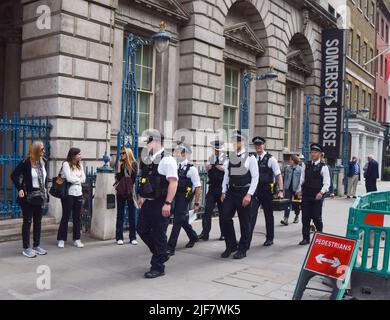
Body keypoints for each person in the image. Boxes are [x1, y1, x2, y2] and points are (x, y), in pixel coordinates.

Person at [137, 130, 178, 278]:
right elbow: (145, 180)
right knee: (141, 229)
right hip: (149, 202)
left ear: (157, 142)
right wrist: (141, 195)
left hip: (161, 203)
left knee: (159, 234)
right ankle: (161, 253)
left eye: (148, 142)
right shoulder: (149, 159)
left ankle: (158, 267)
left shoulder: (167, 159)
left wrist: (167, 203)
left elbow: (173, 183)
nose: (146, 145)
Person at [220, 130, 259, 259]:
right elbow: (226, 175)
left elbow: (255, 177)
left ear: (243, 141)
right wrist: (223, 191)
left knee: (244, 222)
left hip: (244, 192)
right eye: (233, 140)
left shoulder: (250, 157)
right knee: (224, 217)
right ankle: (231, 244)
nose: (235, 142)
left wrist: (249, 195)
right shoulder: (230, 157)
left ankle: (242, 248)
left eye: (238, 140)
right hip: (231, 191)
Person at [11, 141, 48, 258]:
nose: (44, 151)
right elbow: (13, 175)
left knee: (38, 222)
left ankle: (36, 245)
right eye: (42, 149)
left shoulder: (42, 162)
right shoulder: (26, 163)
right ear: (36, 150)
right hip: (28, 197)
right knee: (27, 222)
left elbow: (43, 180)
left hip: (40, 196)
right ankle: (26, 248)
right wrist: (20, 189)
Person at [167, 142, 201, 256]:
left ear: (185, 153)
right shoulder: (176, 167)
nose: (177, 154)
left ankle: (170, 247)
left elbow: (197, 187)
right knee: (182, 220)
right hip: (175, 196)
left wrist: (196, 203)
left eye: (179, 152)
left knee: (177, 220)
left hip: (184, 198)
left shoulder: (192, 169)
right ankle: (193, 236)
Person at [249, 137, 283, 247]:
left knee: (268, 215)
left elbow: (278, 175)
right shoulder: (252, 158)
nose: (258, 146)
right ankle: (247, 239)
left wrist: (281, 190)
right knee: (251, 215)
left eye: (260, 144)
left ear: (264, 145)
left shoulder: (270, 159)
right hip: (255, 190)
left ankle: (270, 237)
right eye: (256, 145)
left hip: (267, 190)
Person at [296, 143, 330, 245]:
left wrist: (321, 192)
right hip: (306, 194)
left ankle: (320, 237)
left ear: (320, 154)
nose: (313, 154)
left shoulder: (324, 167)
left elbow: (327, 183)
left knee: (316, 217)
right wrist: (299, 190)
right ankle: (305, 238)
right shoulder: (306, 165)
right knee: (305, 217)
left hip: (316, 195)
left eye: (315, 152)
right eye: (312, 152)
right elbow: (302, 179)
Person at [57, 148, 86, 248]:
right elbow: (68, 178)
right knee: (65, 216)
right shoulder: (66, 164)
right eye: (78, 154)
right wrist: (78, 180)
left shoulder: (80, 165)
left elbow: (84, 179)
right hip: (68, 194)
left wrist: (76, 180)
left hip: (78, 193)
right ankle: (61, 239)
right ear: (73, 155)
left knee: (77, 217)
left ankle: (77, 239)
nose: (80, 156)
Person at [198, 140, 226, 241]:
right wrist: (207, 168)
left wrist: (223, 168)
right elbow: (208, 170)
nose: (216, 151)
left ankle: (224, 234)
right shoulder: (211, 158)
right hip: (212, 188)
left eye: (218, 149)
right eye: (215, 149)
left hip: (222, 189)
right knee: (207, 210)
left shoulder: (226, 159)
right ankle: (205, 233)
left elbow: (230, 172)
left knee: (223, 213)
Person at [115, 146, 138, 245]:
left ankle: (132, 237)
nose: (121, 155)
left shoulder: (134, 164)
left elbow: (133, 179)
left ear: (128, 154)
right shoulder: (120, 164)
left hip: (130, 192)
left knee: (132, 215)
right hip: (121, 192)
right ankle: (119, 237)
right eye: (121, 153)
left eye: (123, 153)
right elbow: (118, 178)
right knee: (120, 215)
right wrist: (119, 168)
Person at [281, 155, 302, 226]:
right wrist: (283, 189)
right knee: (287, 203)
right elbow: (285, 179)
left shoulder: (300, 169)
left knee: (296, 204)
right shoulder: (288, 169)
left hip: (296, 189)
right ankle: (286, 218)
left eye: (291, 160)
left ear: (294, 160)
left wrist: (299, 190)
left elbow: (301, 181)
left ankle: (296, 216)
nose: (290, 161)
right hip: (288, 188)